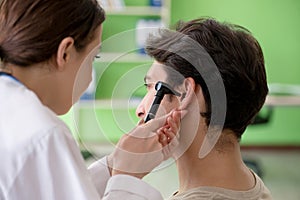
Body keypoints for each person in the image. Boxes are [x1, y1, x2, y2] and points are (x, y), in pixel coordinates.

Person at [0, 0, 182, 199]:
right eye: (93, 58)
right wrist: (126, 178)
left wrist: (115, 164)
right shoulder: (44, 134)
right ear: (66, 53)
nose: (88, 81)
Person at [136, 17, 273, 199]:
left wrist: (123, 179)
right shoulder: (251, 186)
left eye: (152, 86)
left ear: (185, 94)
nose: (140, 109)